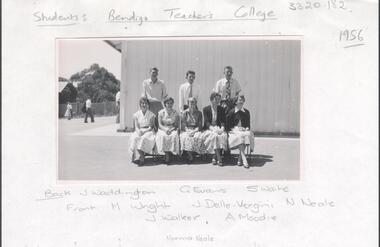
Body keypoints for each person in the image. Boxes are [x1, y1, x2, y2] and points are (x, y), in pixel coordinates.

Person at [226, 95, 254, 169]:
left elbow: (248, 125)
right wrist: (237, 128)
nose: (241, 101)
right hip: (234, 131)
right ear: (236, 102)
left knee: (246, 135)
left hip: (244, 131)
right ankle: (243, 159)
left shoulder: (246, 112)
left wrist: (246, 128)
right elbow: (228, 126)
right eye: (239, 100)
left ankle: (240, 157)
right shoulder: (231, 112)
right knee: (240, 137)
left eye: (242, 100)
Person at [129, 97, 156, 166]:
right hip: (139, 130)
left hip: (148, 131)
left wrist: (144, 132)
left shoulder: (151, 115)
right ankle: (141, 155)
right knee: (135, 137)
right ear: (140, 105)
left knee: (143, 138)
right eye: (142, 103)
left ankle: (142, 157)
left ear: (148, 105)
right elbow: (136, 127)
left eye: (145, 103)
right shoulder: (136, 115)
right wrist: (139, 132)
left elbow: (151, 127)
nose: (144, 105)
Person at [202, 92, 228, 166]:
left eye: (219, 100)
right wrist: (214, 129)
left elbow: (223, 121)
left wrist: (222, 128)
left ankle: (214, 156)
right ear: (211, 99)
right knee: (215, 136)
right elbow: (207, 122)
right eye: (216, 99)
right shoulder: (206, 109)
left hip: (219, 128)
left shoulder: (221, 109)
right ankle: (219, 158)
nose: (217, 101)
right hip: (210, 129)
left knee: (222, 136)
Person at [156, 97, 180, 164]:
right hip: (163, 128)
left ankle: (171, 153)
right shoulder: (161, 112)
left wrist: (171, 129)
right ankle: (166, 155)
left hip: (172, 128)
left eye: (171, 103)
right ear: (165, 104)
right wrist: (165, 130)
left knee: (174, 135)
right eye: (168, 103)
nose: (169, 105)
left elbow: (176, 125)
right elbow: (160, 124)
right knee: (163, 136)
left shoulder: (175, 112)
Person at [180, 97, 203, 163]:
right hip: (186, 129)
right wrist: (188, 131)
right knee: (186, 137)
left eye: (194, 102)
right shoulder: (184, 113)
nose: (192, 104)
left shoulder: (199, 113)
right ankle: (190, 155)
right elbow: (183, 124)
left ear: (196, 103)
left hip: (196, 129)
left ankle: (194, 153)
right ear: (188, 103)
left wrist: (194, 131)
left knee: (198, 136)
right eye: (191, 102)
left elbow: (200, 125)